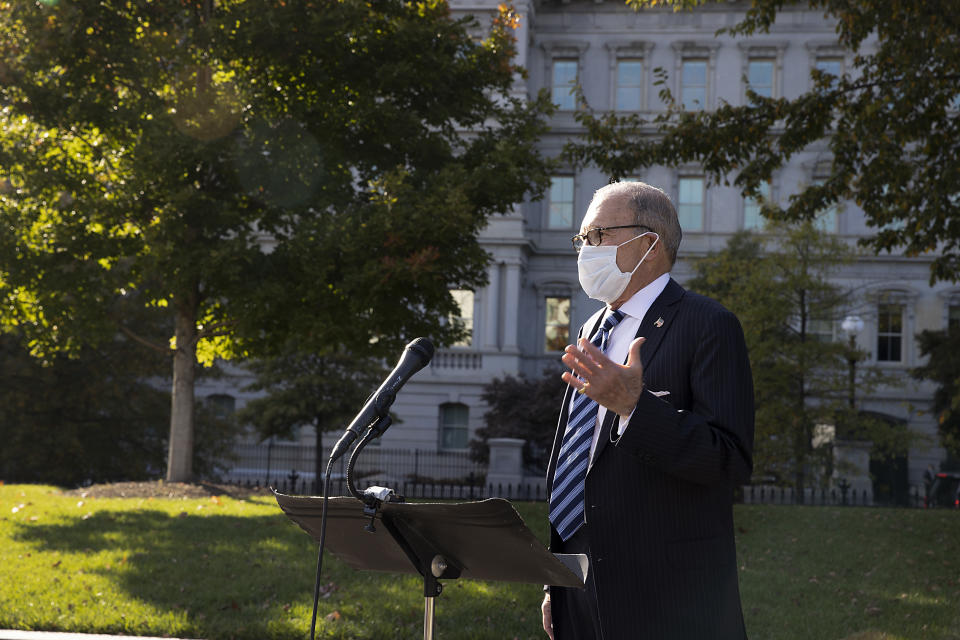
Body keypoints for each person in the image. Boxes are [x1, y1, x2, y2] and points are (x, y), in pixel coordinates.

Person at [541, 181, 755, 640]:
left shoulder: (708, 325)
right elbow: (578, 463)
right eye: (583, 239)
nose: (586, 250)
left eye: (598, 235)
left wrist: (633, 409)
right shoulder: (592, 326)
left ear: (649, 244)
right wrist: (555, 579)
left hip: (664, 595)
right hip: (577, 584)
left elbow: (729, 459)